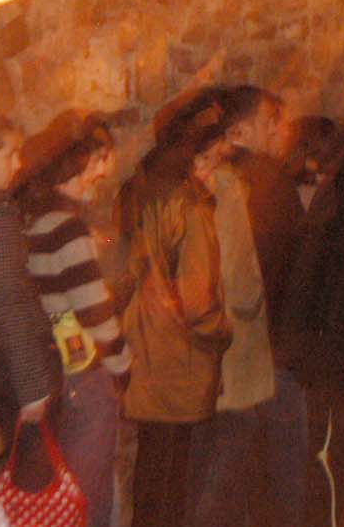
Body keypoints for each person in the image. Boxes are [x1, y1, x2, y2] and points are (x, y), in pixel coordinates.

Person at [115, 106, 232, 527]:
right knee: (169, 485)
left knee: (147, 479)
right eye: (215, 159)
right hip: (178, 363)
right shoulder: (190, 209)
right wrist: (223, 333)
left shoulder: (136, 190)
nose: (217, 172)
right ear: (195, 158)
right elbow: (198, 301)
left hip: (140, 351)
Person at [18, 111, 131, 527]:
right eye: (91, 165)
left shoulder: (33, 221)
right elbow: (92, 308)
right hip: (83, 369)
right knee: (88, 492)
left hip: (56, 367)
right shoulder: (65, 227)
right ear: (72, 167)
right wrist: (122, 361)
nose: (98, 174)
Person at [186, 89, 280, 527]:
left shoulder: (179, 188)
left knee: (211, 470)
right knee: (226, 474)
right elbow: (242, 279)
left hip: (202, 358)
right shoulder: (228, 187)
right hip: (235, 352)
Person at [0, 112, 60, 516]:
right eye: (10, 154)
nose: (18, 164)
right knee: (11, 489)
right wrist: (32, 387)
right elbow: (8, 298)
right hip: (3, 369)